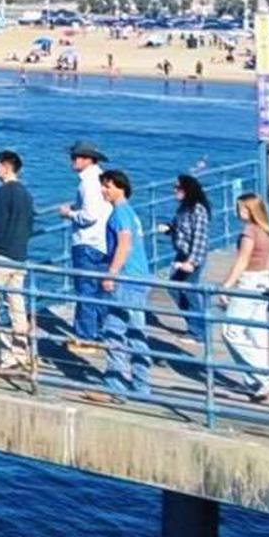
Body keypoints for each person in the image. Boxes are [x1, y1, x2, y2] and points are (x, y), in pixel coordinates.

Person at [83, 169, 152, 403]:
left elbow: (124, 244)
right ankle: (141, 385)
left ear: (120, 188)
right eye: (103, 186)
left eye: (108, 186)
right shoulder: (131, 213)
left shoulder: (120, 213)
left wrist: (111, 273)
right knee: (136, 332)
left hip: (125, 278)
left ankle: (115, 388)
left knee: (114, 330)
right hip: (140, 277)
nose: (104, 190)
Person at [218, 192, 269, 401]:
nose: (238, 212)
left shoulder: (249, 232)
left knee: (231, 331)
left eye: (242, 209)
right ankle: (255, 380)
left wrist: (226, 286)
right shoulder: (267, 231)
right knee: (256, 333)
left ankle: (266, 376)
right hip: (263, 281)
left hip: (248, 282)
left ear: (251, 210)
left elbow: (242, 260)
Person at [0, 150, 36, 369]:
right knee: (16, 303)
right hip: (19, 255)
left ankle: (1, 351)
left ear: (6, 167)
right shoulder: (25, 193)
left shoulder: (3, 192)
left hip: (1, 254)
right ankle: (21, 351)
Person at [57, 140, 112, 351]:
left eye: (75, 157)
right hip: (103, 242)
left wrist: (69, 213)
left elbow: (89, 216)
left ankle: (86, 337)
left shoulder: (87, 183)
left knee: (85, 290)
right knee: (100, 291)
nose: (72, 161)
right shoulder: (103, 180)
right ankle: (101, 332)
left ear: (87, 159)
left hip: (87, 242)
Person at [158, 174, 213, 346]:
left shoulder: (198, 210)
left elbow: (199, 237)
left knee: (189, 291)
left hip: (192, 257)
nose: (174, 190)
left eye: (178, 187)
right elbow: (180, 230)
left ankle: (198, 331)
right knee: (175, 288)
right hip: (182, 253)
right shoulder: (183, 209)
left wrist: (192, 262)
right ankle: (195, 325)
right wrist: (168, 229)